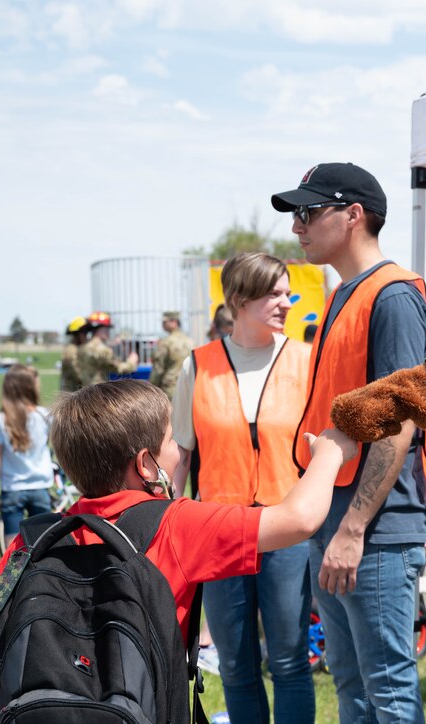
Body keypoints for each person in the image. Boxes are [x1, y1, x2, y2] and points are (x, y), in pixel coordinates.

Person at [0, 379, 357, 724]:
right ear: (146, 465)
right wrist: (331, 452)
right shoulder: (177, 524)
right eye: (170, 440)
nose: (179, 449)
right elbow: (298, 519)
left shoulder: (35, 540)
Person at [272, 162, 426, 722]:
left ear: (353, 215)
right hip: (336, 519)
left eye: (308, 212)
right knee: (353, 687)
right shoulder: (348, 292)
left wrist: (353, 528)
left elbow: (401, 418)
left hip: (374, 530)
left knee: (387, 692)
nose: (298, 225)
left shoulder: (390, 296)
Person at [170, 252, 315, 724]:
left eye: (287, 291)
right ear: (239, 300)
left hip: (288, 531)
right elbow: (181, 454)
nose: (287, 302)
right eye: (274, 293)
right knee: (235, 666)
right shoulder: (197, 366)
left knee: (291, 662)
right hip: (218, 533)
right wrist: (169, 525)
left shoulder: (305, 361)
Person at [0, 364, 54, 549]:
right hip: (40, 487)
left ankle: (14, 575)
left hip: (12, 488)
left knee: (12, 545)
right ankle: (40, 576)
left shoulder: (1, 420)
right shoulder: (44, 415)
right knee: (42, 541)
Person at [76, 311, 138, 387]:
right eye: (107, 328)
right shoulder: (103, 350)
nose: (108, 332)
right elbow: (119, 369)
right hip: (98, 393)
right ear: (100, 329)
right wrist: (132, 361)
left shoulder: (83, 348)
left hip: (85, 392)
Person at [149, 311, 194, 400]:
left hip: (169, 389)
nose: (162, 324)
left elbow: (158, 370)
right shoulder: (191, 342)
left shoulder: (166, 342)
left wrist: (151, 388)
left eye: (165, 322)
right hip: (189, 387)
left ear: (174, 322)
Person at [60, 316, 89, 393]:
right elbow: (78, 374)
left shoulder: (78, 349)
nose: (86, 336)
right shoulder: (71, 351)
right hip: (70, 395)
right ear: (77, 334)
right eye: (85, 332)